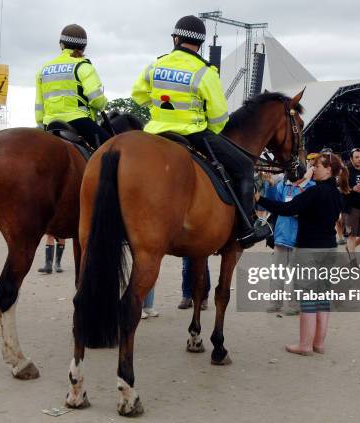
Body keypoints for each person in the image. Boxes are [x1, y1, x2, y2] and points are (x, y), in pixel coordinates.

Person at [131, 15, 270, 249]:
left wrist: (162, 109)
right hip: (192, 133)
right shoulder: (206, 72)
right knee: (244, 166)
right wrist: (206, 126)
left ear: (176, 38)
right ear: (200, 44)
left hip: (154, 133)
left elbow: (138, 95)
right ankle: (247, 228)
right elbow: (219, 117)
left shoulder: (156, 64)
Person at [256, 152, 349, 356]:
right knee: (322, 297)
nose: (313, 168)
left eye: (317, 165)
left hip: (309, 248)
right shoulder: (336, 194)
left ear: (328, 169)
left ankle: (305, 345)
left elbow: (288, 208)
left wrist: (260, 199)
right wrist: (305, 181)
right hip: (329, 247)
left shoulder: (315, 192)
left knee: (307, 297)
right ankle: (318, 343)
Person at [35, 24, 110, 149]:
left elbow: (39, 105)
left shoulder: (43, 69)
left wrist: (41, 125)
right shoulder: (83, 66)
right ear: (84, 47)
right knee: (113, 148)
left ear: (61, 45)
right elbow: (97, 101)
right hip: (78, 122)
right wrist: (103, 104)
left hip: (50, 124)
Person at [265, 165, 315, 315]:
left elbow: (314, 209)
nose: (289, 174)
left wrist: (303, 214)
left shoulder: (311, 187)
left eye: (293, 172)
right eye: (288, 172)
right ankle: (275, 303)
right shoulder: (283, 185)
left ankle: (295, 305)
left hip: (301, 238)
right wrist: (272, 186)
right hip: (282, 236)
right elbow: (274, 203)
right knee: (277, 273)